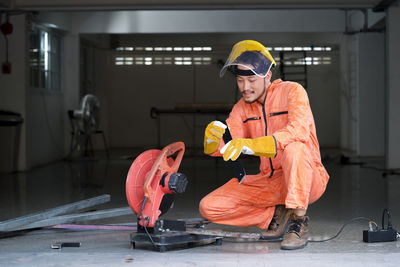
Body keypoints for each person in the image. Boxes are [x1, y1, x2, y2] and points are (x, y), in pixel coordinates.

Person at [199, 40, 329, 250]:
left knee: (295, 148)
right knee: (209, 207)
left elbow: (298, 131)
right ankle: (274, 215)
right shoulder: (241, 108)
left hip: (307, 177)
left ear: (267, 76)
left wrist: (251, 146)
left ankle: (298, 220)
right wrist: (212, 141)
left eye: (251, 80)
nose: (245, 87)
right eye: (240, 80)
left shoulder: (293, 92)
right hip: (270, 181)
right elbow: (230, 142)